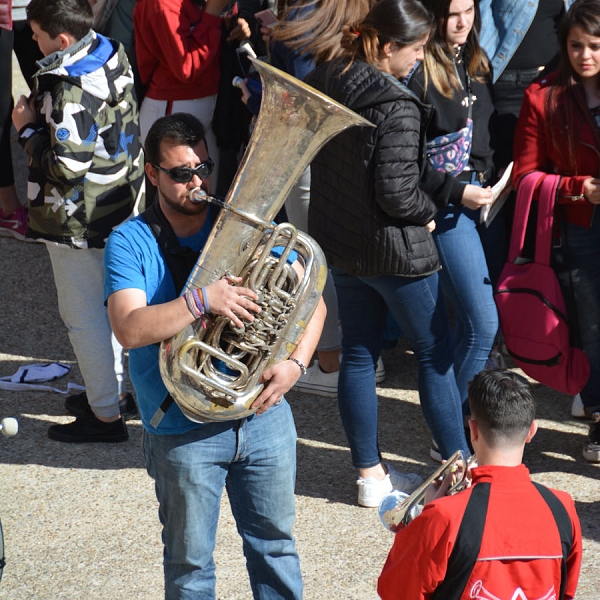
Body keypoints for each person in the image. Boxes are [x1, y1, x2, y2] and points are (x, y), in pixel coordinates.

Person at [104, 112, 326, 598]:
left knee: (276, 548)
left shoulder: (243, 225)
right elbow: (128, 327)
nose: (196, 182)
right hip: (183, 430)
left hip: (262, 419)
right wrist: (202, 301)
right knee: (190, 566)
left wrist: (295, 365)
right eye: (181, 173)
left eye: (203, 167)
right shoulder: (129, 241)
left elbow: (314, 302)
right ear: (153, 174)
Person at [304, 0, 473, 508]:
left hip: (345, 246)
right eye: (416, 49)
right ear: (384, 45)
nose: (420, 60)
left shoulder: (330, 77)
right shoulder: (396, 105)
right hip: (396, 252)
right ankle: (459, 467)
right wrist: (426, 210)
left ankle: (369, 475)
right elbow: (398, 192)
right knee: (434, 353)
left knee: (359, 351)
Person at [11, 0, 143, 442]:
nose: (32, 40)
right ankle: (117, 394)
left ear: (62, 39)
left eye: (37, 34)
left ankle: (104, 416)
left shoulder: (66, 87)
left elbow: (66, 167)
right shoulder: (111, 48)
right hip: (119, 199)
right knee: (117, 305)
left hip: (78, 218)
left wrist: (27, 128)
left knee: (84, 317)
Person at [378, 369, 582, 599]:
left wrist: (427, 516)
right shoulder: (562, 508)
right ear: (531, 431)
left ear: (473, 430)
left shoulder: (445, 516)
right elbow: (566, 591)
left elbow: (396, 591)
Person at [407, 0, 497, 460]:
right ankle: (452, 440)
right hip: (444, 209)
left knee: (471, 327)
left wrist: (484, 178)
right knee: (482, 325)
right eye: (451, 13)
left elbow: (480, 135)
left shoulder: (476, 60)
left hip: (476, 202)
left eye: (469, 10)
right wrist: (460, 192)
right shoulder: (420, 69)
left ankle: (455, 440)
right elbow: (407, 158)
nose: (461, 22)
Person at [512, 0, 600, 463]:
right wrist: (577, 188)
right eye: (576, 46)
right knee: (592, 329)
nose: (585, 55)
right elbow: (526, 176)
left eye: (595, 46)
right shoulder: (542, 96)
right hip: (580, 225)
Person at [0, 0, 41, 238]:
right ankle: (9, 209)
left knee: (55, 98)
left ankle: (57, 202)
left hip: (39, 7)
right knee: (2, 112)